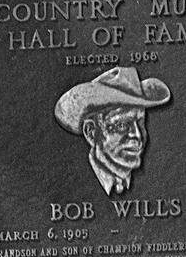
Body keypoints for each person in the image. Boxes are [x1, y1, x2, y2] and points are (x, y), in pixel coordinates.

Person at [54, 67, 171, 195]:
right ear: (91, 133)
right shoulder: (68, 184)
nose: (137, 135)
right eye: (121, 125)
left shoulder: (161, 177)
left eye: (141, 122)